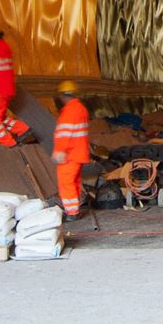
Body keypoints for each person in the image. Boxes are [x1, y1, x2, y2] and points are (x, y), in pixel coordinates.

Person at [52, 79, 92, 219]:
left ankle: (72, 212)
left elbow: (65, 134)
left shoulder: (69, 111)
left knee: (66, 183)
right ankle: (74, 209)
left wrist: (59, 151)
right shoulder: (81, 109)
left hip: (69, 154)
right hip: (80, 153)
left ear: (63, 95)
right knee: (74, 182)